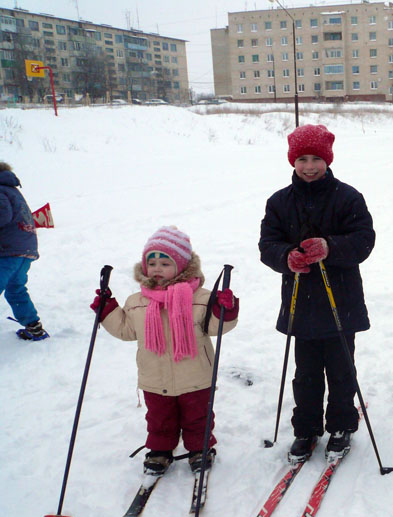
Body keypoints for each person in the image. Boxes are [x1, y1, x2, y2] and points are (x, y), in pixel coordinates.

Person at [259, 124, 375, 463]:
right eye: (303, 159)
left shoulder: (348, 197)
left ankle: (341, 425)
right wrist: (285, 257)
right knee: (306, 372)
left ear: (328, 160)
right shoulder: (279, 201)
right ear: (293, 161)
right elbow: (267, 245)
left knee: (341, 368)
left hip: (341, 300)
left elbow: (363, 240)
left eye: (316, 159)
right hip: (302, 302)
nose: (310, 166)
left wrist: (330, 247)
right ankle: (306, 429)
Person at [90, 226, 239, 476]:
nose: (157, 268)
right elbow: (127, 330)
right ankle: (159, 451)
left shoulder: (201, 297)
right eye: (152, 261)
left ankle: (200, 449)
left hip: (196, 376)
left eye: (165, 262)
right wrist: (107, 310)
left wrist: (225, 309)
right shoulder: (137, 301)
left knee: (198, 417)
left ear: (182, 265)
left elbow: (216, 327)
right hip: (154, 376)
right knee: (160, 419)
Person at [0, 162, 49, 341]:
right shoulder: (12, 190)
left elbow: (3, 214)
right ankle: (34, 327)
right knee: (15, 290)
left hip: (8, 252)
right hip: (25, 249)